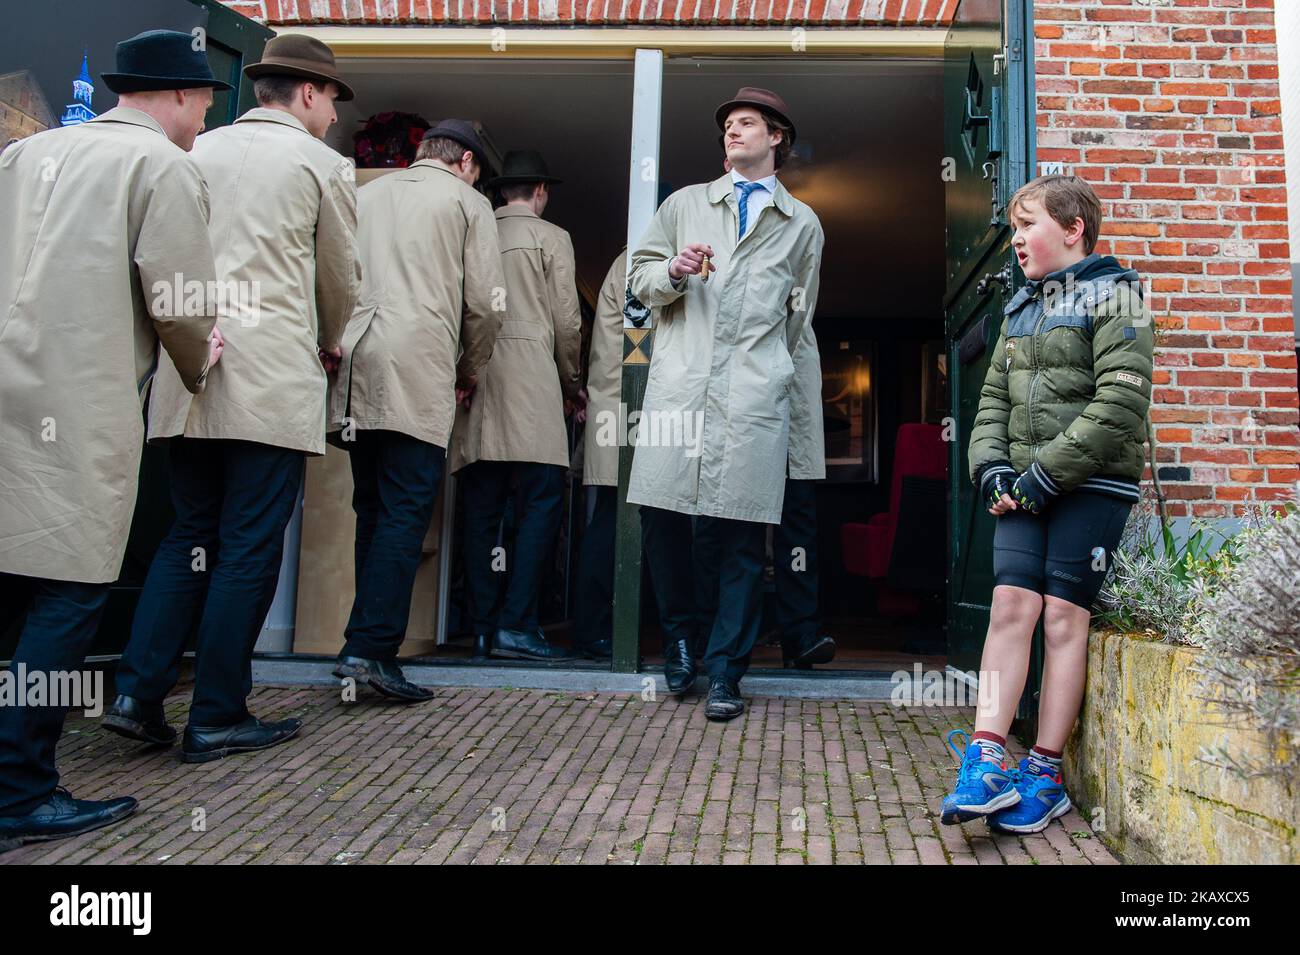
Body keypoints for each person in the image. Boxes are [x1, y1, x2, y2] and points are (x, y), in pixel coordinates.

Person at [104, 35, 361, 762]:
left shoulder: (196, 151)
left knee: (187, 536)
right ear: (309, 94)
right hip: (270, 380)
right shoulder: (323, 165)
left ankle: (136, 692)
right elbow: (339, 281)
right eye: (333, 99)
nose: (334, 114)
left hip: (189, 378)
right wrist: (332, 339)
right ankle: (216, 712)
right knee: (248, 549)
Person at [0, 29, 226, 845]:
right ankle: (20, 790)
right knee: (70, 587)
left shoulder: (27, 154)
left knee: (8, 581)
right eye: (204, 98)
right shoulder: (162, 165)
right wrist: (203, 355)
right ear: (175, 95)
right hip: (81, 397)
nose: (206, 113)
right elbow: (180, 297)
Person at [942, 174, 1153, 833]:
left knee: (1063, 617)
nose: (1016, 241)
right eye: (1011, 229)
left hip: (1091, 486)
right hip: (1026, 486)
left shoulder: (1119, 294)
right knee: (1011, 606)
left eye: (1027, 225)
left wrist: (1042, 477)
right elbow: (990, 408)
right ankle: (984, 757)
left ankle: (1044, 771)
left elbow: (1120, 405)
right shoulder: (1020, 309)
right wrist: (994, 471)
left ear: (1072, 229)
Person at [628, 87, 824, 719]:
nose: (732, 133)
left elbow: (799, 317)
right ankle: (680, 639)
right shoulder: (684, 205)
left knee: (742, 533)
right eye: (728, 127)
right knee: (663, 520)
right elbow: (640, 283)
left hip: (752, 395)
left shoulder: (803, 225)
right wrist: (675, 272)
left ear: (777, 138)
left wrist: (766, 373)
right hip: (680, 388)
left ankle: (725, 672)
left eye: (747, 124)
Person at [329, 120, 503, 697]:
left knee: (371, 510)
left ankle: (360, 642)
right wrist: (468, 371)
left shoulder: (366, 193)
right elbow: (484, 305)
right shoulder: (468, 203)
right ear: (469, 163)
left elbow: (330, 276)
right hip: (417, 367)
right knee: (405, 513)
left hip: (356, 366)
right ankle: (372, 653)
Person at [693, 154, 836, 671]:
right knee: (720, 517)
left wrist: (775, 361)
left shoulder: (800, 229)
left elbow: (802, 310)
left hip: (788, 386)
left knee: (796, 514)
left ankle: (800, 633)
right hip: (729, 395)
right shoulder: (702, 231)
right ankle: (715, 635)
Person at [451, 150, 583, 662]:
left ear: (503, 191)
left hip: (479, 378)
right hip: (532, 382)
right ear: (541, 192)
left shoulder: (475, 225)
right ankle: (518, 624)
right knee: (540, 507)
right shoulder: (552, 238)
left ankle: (482, 628)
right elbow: (568, 321)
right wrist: (572, 383)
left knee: (482, 510)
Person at [571, 249, 628, 660]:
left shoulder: (620, 263)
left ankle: (595, 631)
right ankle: (596, 632)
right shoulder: (643, 260)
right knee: (614, 521)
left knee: (609, 518)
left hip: (616, 405)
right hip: (635, 409)